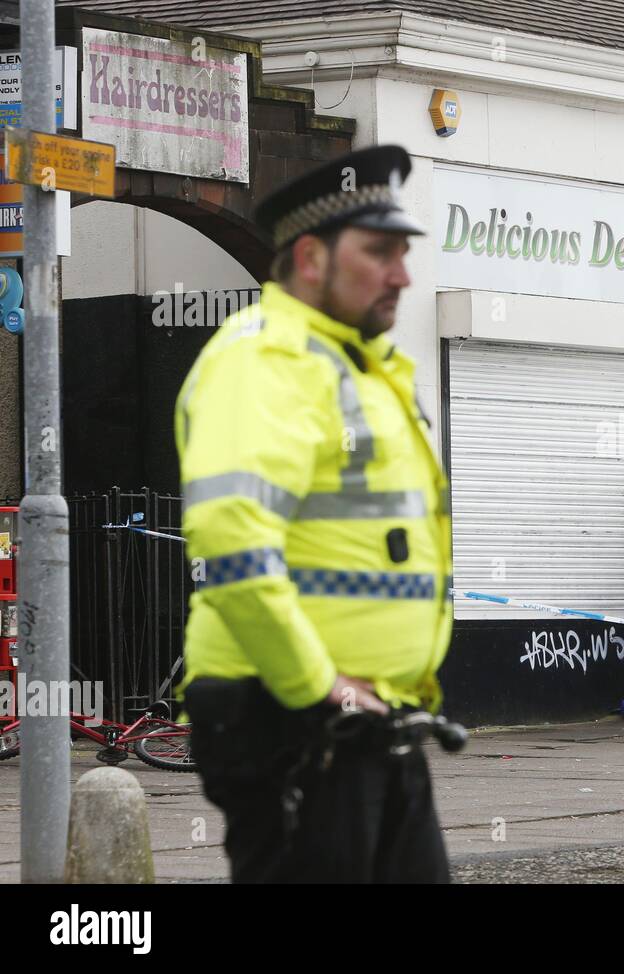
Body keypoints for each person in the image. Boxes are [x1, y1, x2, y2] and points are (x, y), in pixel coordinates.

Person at [174, 145, 454, 883]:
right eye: (380, 252)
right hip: (293, 720)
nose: (402, 274)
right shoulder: (266, 361)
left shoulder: (363, 366)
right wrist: (317, 686)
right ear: (309, 257)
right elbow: (231, 539)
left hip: (368, 721)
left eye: (403, 253)